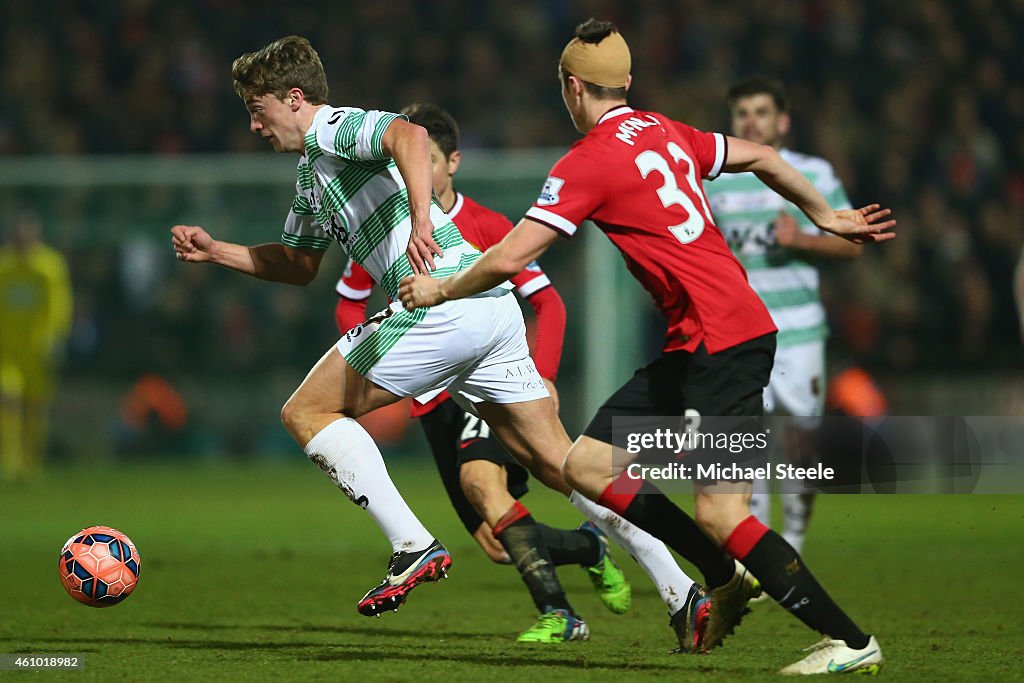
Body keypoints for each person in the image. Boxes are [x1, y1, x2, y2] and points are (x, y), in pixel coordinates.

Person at [399, 19, 894, 674]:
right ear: (626, 82)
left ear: (573, 88)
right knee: (587, 465)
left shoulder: (589, 160)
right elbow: (766, 157)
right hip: (705, 341)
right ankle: (723, 574)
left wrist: (440, 290)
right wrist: (822, 213)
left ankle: (849, 639)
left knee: (721, 511)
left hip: (724, 343)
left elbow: (514, 254)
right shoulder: (664, 129)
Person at [171, 36, 697, 646]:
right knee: (564, 466)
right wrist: (219, 252)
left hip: (440, 303)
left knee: (307, 410)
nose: (254, 123)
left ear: (295, 98)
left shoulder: (334, 128)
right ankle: (681, 588)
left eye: (258, 107)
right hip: (490, 314)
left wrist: (422, 219)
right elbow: (296, 264)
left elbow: (410, 137)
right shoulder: (312, 176)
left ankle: (411, 544)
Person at [334, 103, 632, 637]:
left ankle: (560, 615)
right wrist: (370, 360)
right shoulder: (386, 221)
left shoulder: (488, 225)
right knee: (495, 543)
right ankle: (590, 544)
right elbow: (348, 302)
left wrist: (545, 374)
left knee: (484, 484)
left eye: (425, 159)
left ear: (452, 163)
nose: (413, 170)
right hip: (429, 398)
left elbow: (550, 304)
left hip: (481, 373)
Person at [704, 77, 862, 557]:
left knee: (799, 448)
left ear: (782, 121)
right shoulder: (715, 179)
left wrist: (802, 241)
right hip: (741, 333)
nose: (751, 121)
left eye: (761, 112)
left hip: (798, 335)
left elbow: (851, 243)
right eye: (742, 114)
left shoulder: (812, 172)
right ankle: (763, 555)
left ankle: (792, 542)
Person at [0, 210, 73, 481]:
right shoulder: (3, 268)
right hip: (5, 351)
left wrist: (56, 338)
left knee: (35, 407)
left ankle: (31, 465)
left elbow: (59, 306)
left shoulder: (49, 267)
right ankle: (9, 462)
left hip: (37, 350)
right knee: (8, 399)